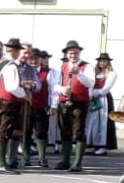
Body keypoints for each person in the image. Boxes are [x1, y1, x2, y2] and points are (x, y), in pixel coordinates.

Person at [0, 37, 28, 174]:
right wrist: (24, 93)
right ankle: (1, 164)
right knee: (4, 131)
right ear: (15, 51)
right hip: (8, 101)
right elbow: (11, 87)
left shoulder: (0, 63)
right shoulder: (11, 65)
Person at [53, 40, 91, 171]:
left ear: (79, 52)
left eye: (75, 53)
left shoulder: (87, 66)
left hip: (80, 102)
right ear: (66, 54)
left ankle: (78, 162)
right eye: (70, 53)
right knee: (65, 131)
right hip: (64, 101)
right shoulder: (61, 66)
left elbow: (90, 83)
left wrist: (79, 73)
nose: (73, 55)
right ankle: (66, 161)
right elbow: (54, 84)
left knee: (79, 131)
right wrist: (61, 89)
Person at [27, 49, 56, 167]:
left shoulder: (48, 72)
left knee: (41, 132)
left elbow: (52, 90)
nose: (33, 61)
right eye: (31, 59)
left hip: (41, 107)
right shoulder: (23, 71)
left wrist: (53, 106)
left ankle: (42, 157)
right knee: (26, 132)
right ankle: (26, 157)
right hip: (26, 107)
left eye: (36, 59)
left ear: (40, 60)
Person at [85, 53, 116, 155]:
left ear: (108, 62)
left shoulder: (111, 74)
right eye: (100, 61)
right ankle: (95, 145)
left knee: (103, 122)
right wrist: (90, 94)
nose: (102, 63)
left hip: (104, 99)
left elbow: (106, 89)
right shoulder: (94, 74)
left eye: (104, 61)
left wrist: (94, 93)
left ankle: (103, 146)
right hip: (93, 99)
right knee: (93, 122)